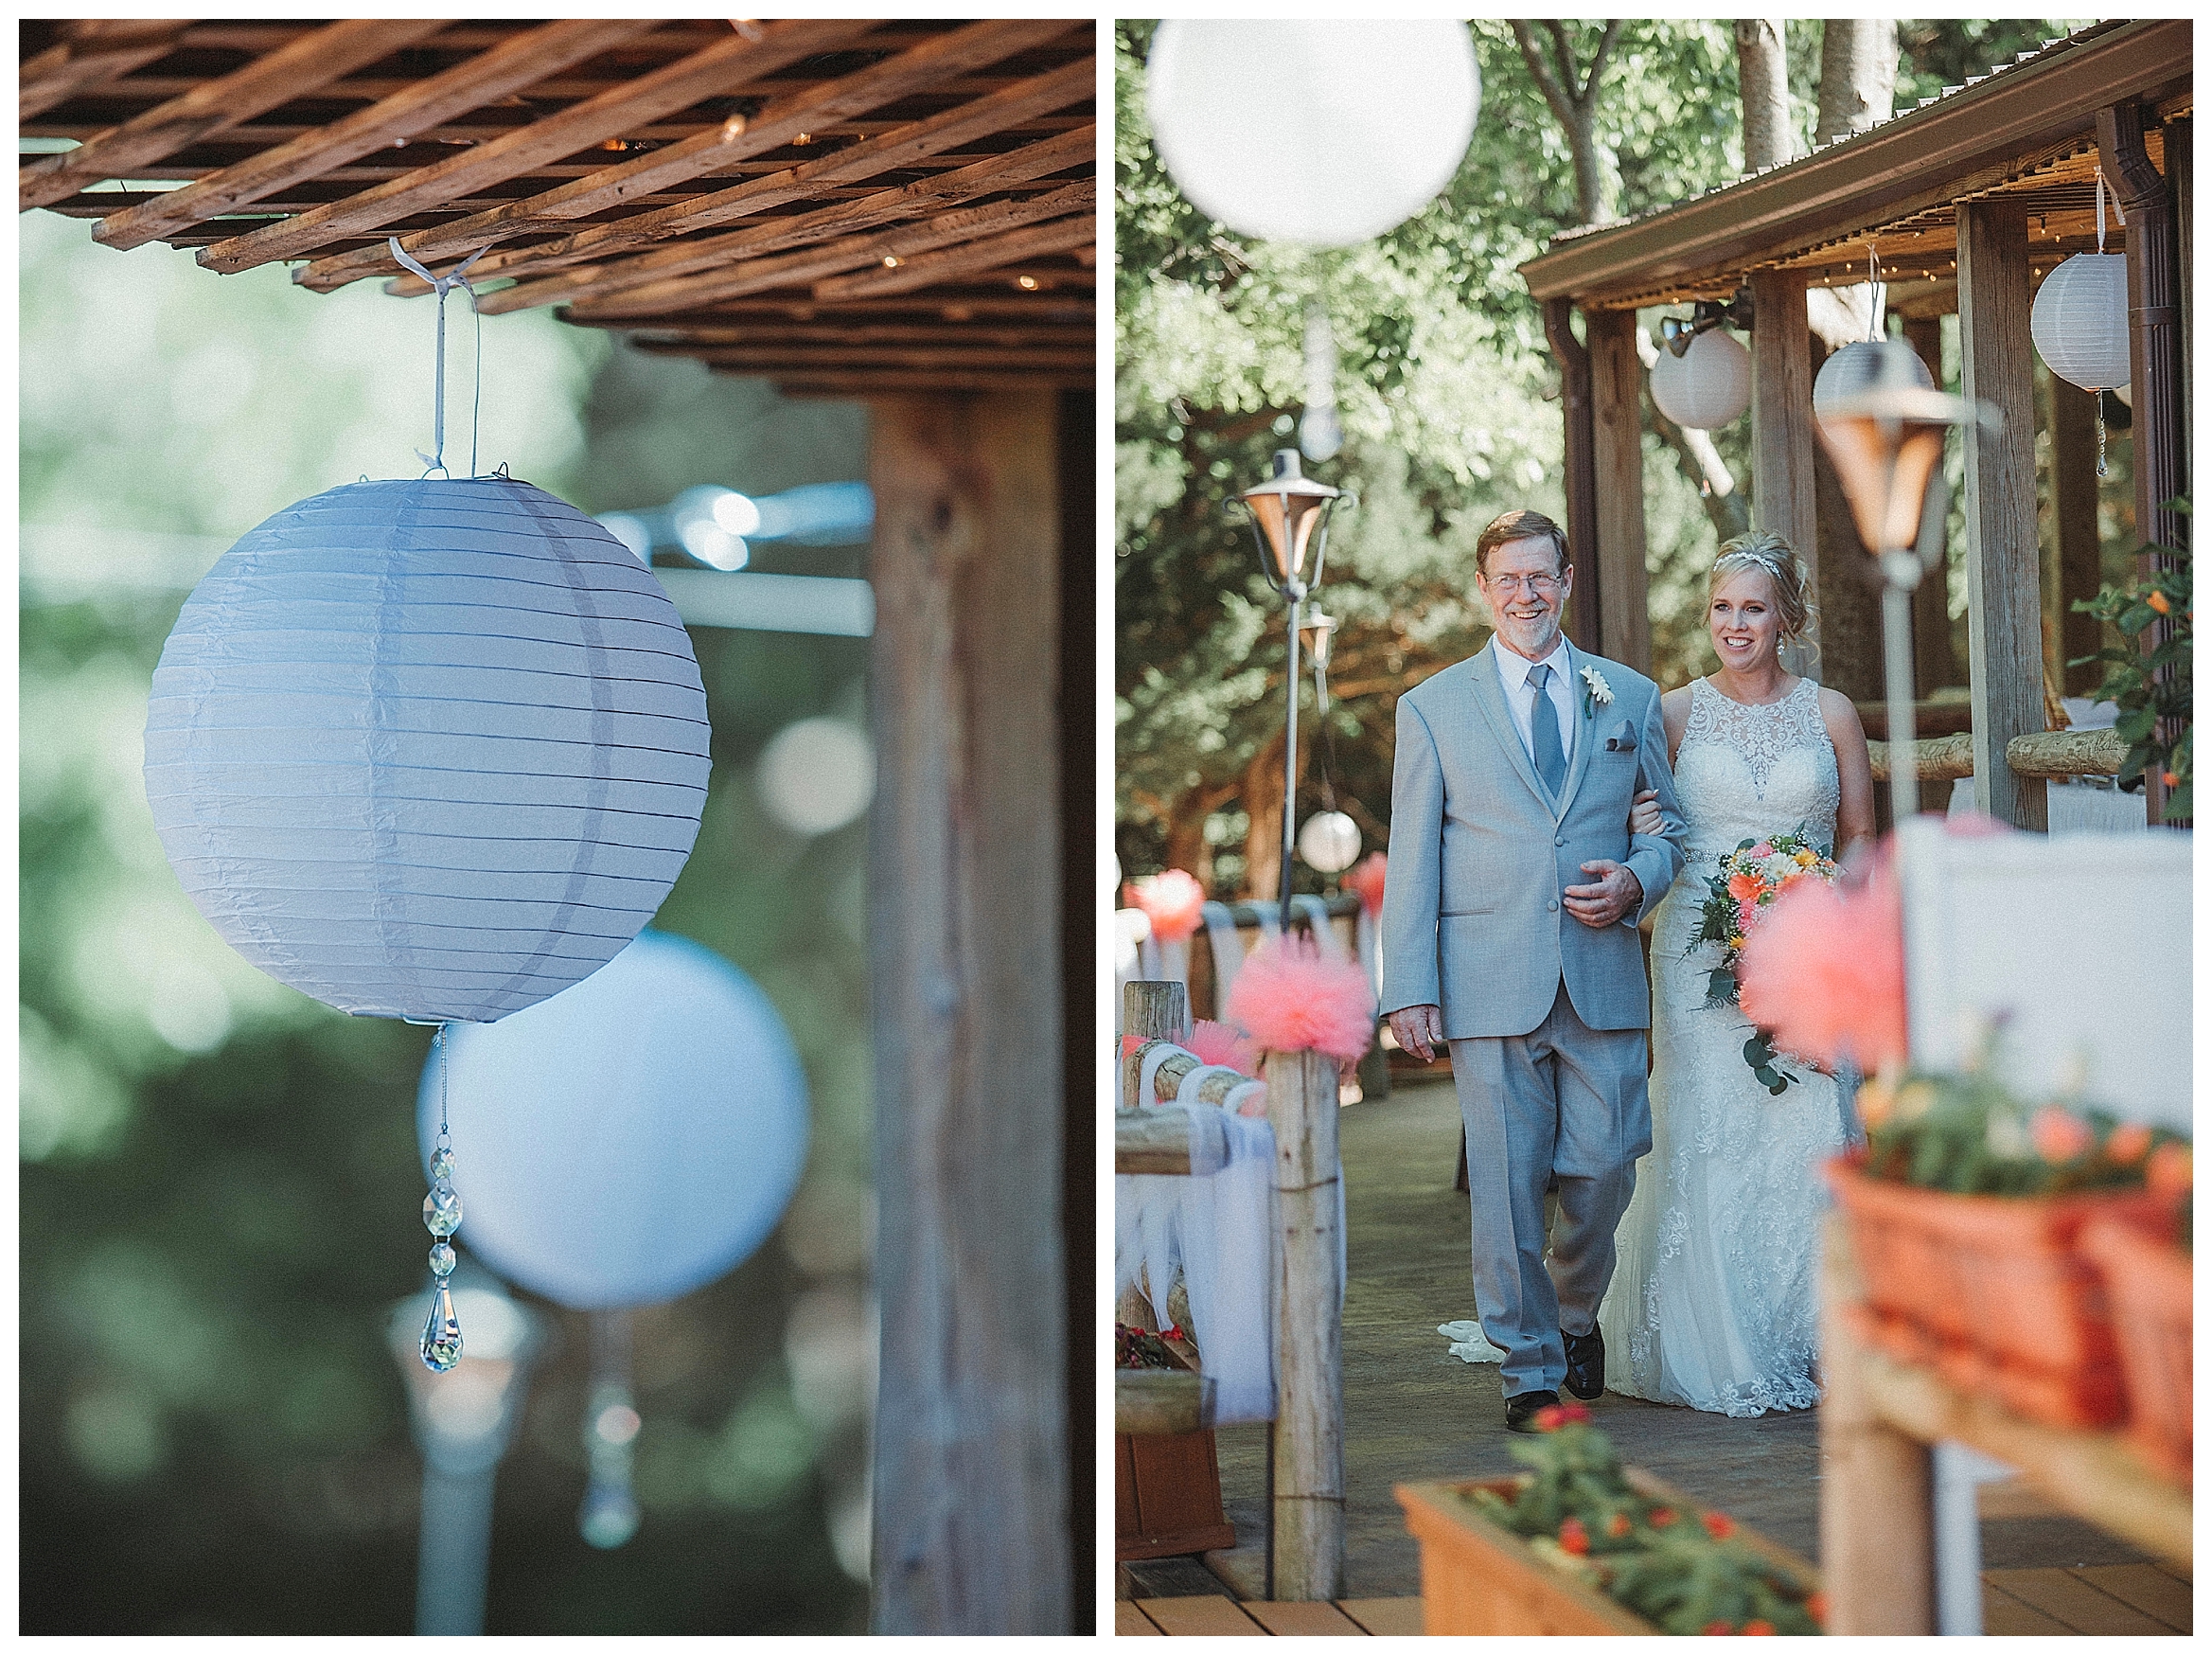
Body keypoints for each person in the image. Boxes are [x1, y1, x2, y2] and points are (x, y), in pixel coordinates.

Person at [1378, 508, 1687, 1433]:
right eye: (1508, 578)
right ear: (1484, 588)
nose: (1526, 593)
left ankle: (1572, 1310)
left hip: (1599, 972)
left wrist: (1638, 878)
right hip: (1486, 979)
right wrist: (1411, 988)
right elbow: (1412, 857)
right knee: (1509, 1183)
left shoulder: (1626, 696)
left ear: (1565, 577)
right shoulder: (1432, 707)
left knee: (1606, 1165)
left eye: (1540, 576)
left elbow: (1668, 829)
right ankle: (1525, 1367)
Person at [1601, 532, 1875, 1416]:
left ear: (1785, 617)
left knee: (1804, 1120)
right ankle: (1715, 1335)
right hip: (1697, 950)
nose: (1734, 623)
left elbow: (1860, 835)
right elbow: (1649, 828)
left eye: (1752, 607)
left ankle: (1816, 1329)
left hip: (1808, 947)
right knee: (1711, 1124)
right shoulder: (1674, 714)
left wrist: (1828, 917)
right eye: (1721, 607)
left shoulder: (1829, 712)